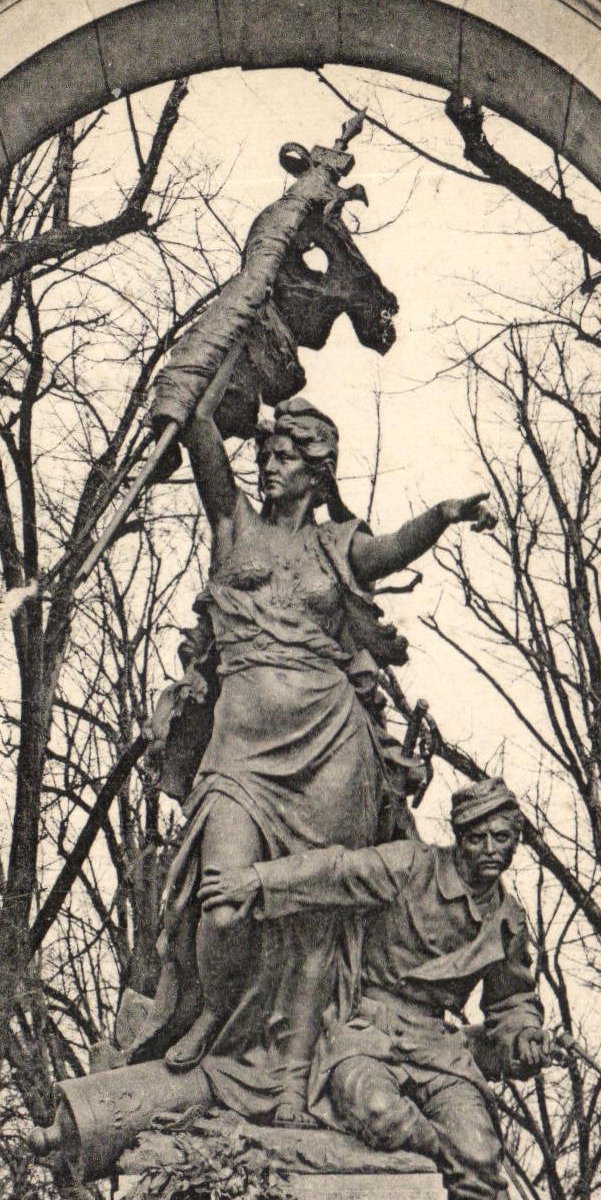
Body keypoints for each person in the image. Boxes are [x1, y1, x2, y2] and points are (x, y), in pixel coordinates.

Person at [130, 394, 494, 1127]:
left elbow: (392, 548)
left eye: (288, 456)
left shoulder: (338, 546)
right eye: (267, 454)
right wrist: (218, 343)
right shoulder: (232, 523)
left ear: (317, 470)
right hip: (239, 751)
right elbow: (198, 422)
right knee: (222, 899)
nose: (270, 466)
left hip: (332, 744)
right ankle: (214, 1012)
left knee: (314, 924)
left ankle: (291, 1084)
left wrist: (446, 513)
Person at [199, 775, 555, 1200]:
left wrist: (525, 1039)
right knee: (379, 1111)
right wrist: (255, 880)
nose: (493, 849)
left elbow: (512, 1005)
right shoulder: (412, 867)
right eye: (480, 837)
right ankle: (472, 1181)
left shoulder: (507, 921)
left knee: (482, 1143)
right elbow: (335, 871)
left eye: (505, 837)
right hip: (367, 1026)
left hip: (439, 1046)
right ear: (459, 838)